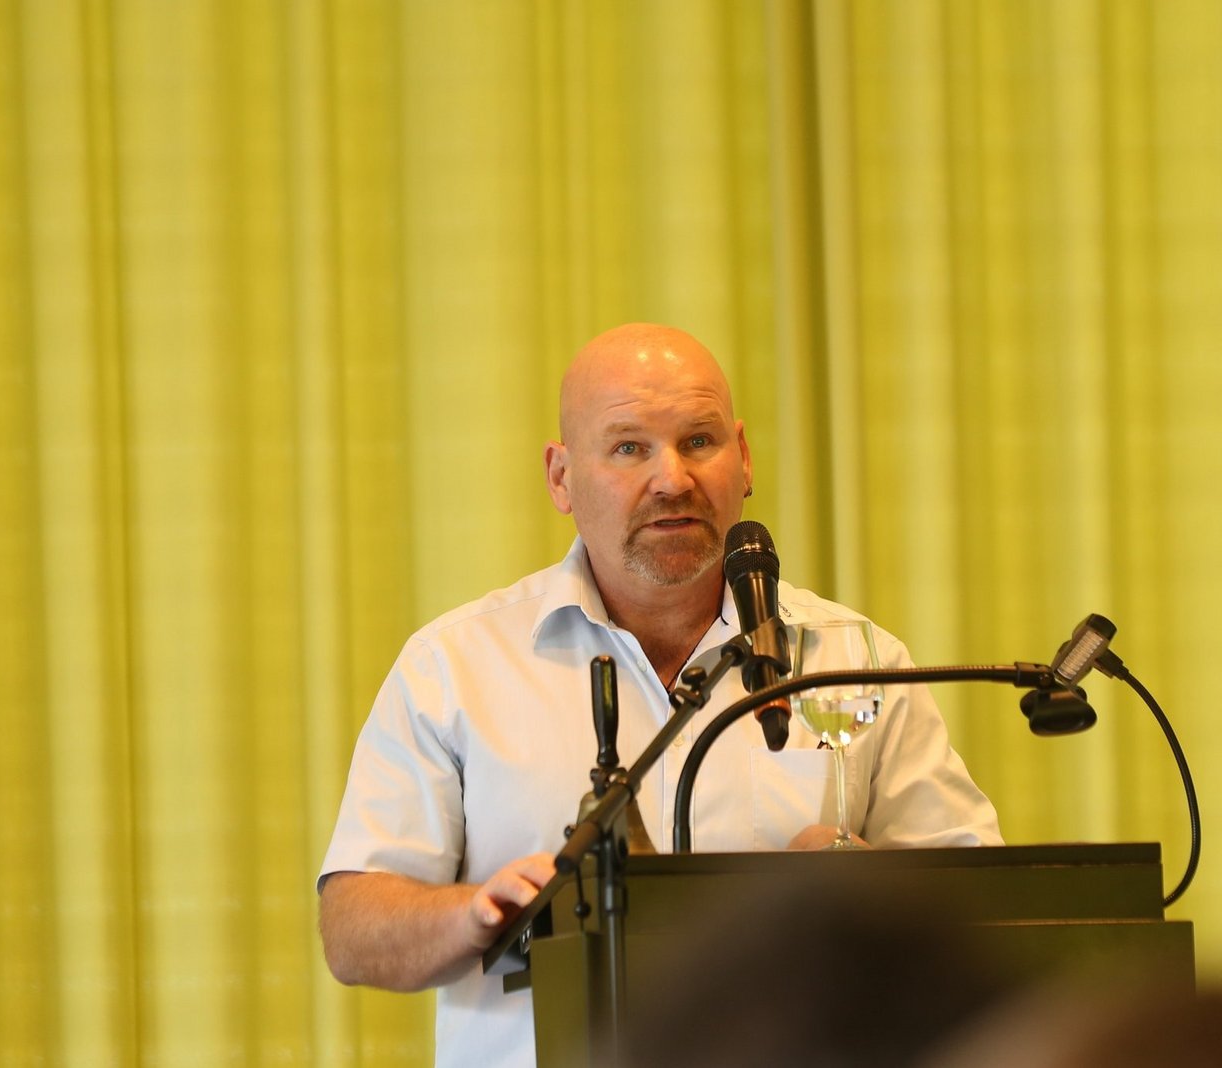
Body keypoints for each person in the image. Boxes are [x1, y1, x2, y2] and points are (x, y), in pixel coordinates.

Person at [317, 324, 1001, 1067]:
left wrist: (869, 897)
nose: (672, 479)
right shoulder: (455, 667)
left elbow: (993, 924)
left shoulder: (854, 660)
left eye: (699, 441)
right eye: (628, 448)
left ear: (744, 458)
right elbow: (352, 931)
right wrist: (478, 913)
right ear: (561, 477)